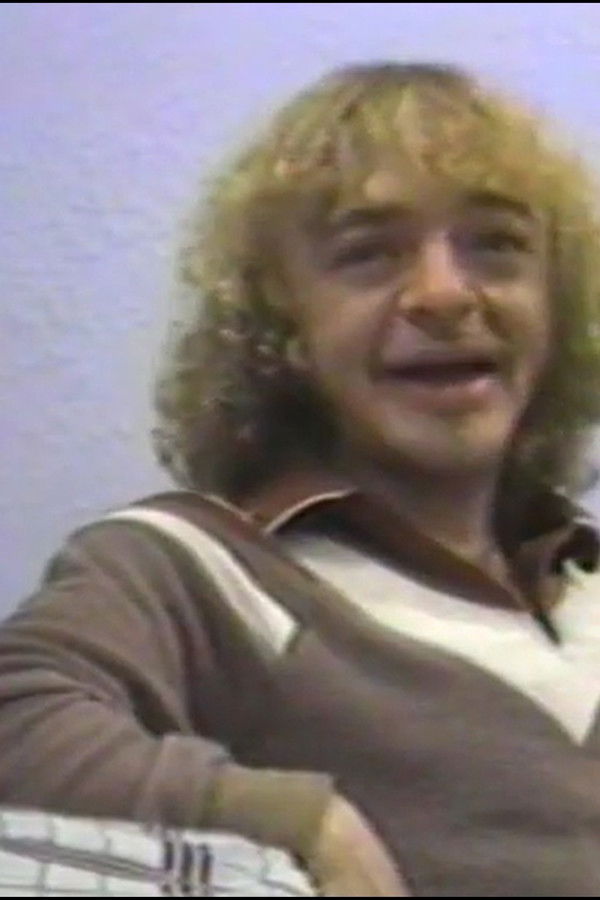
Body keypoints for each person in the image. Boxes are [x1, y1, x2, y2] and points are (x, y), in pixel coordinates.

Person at [2, 61, 600, 896]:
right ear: (282, 325)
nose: (443, 294)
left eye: (496, 245)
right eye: (369, 254)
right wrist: (292, 821)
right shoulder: (191, 568)